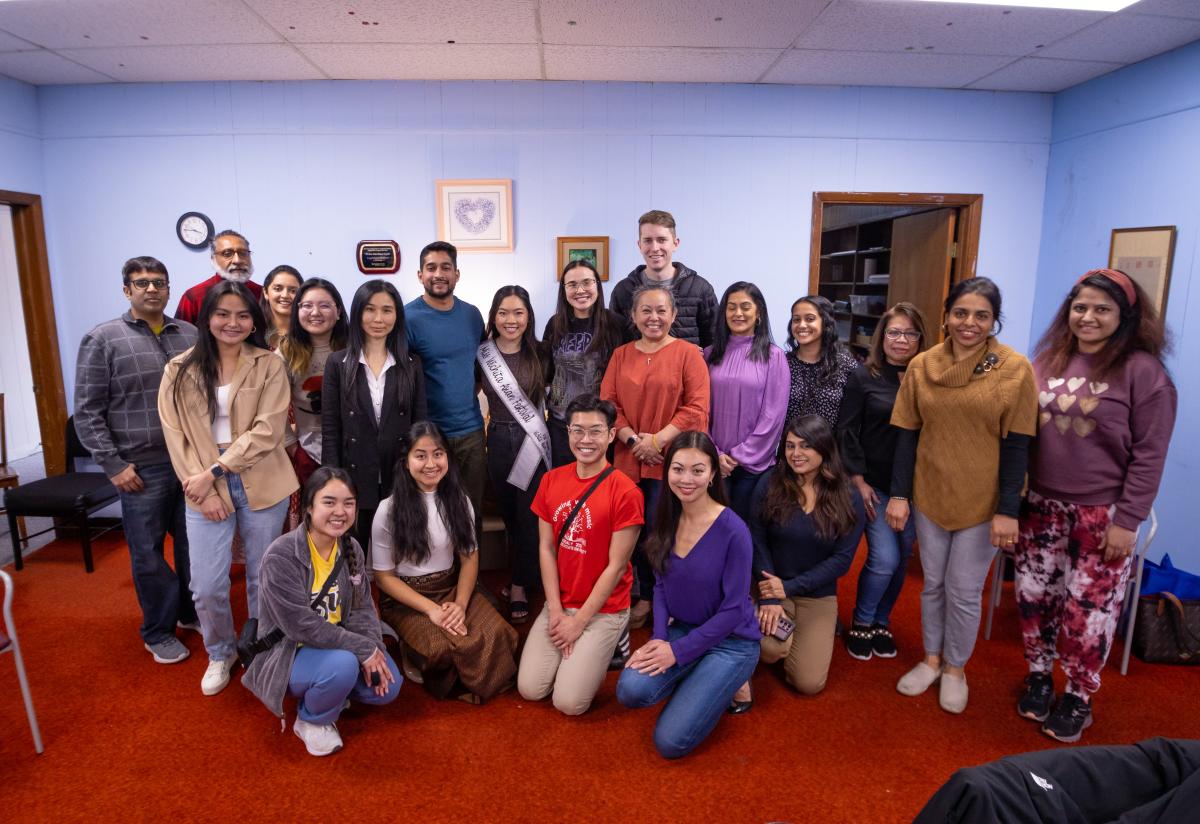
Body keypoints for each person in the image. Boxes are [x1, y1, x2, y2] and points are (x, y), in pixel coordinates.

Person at [1014, 268, 1176, 743]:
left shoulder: (1144, 373)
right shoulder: (1046, 359)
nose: (1088, 317)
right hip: (1041, 505)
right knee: (1035, 596)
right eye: (1080, 307)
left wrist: (1129, 521)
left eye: (1101, 309)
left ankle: (1079, 696)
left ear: (1124, 316)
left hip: (1103, 514)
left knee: (1089, 612)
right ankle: (1040, 674)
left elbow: (1150, 454)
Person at [889, 277, 1038, 714]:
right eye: (961, 313)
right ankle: (931, 659)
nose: (969, 323)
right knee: (932, 585)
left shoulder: (1013, 368)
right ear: (947, 316)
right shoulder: (922, 366)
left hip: (983, 502)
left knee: (964, 590)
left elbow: (1018, 444)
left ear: (994, 321)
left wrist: (1008, 509)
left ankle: (956, 667)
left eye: (981, 315)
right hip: (931, 493)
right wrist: (899, 495)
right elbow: (906, 437)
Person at [158, 280, 297, 696]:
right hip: (200, 483)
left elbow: (268, 431)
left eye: (242, 315)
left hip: (261, 477)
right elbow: (174, 435)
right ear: (206, 319)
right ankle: (220, 651)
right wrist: (204, 486)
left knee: (261, 576)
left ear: (255, 320)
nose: (232, 323)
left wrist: (216, 471)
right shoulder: (178, 369)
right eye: (223, 314)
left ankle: (260, 646)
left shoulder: (269, 364)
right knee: (206, 583)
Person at [74, 255, 199, 664]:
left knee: (191, 547)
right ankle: (157, 630)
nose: (151, 289)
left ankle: (188, 612)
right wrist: (113, 465)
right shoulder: (103, 339)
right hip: (139, 468)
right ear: (126, 290)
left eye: (159, 282)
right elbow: (87, 410)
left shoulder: (191, 335)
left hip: (190, 464)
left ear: (168, 288)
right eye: (141, 283)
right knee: (148, 554)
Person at [615, 431, 760, 760]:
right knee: (629, 690)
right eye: (678, 469)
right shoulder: (668, 516)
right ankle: (701, 674)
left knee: (670, 742)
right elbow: (661, 582)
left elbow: (734, 611)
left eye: (698, 470)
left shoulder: (734, 530)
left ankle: (730, 677)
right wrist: (660, 638)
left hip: (733, 643)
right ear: (666, 472)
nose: (686, 479)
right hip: (685, 629)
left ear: (712, 475)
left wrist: (676, 653)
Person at [243, 468, 401, 757]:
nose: (340, 511)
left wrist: (373, 650)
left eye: (348, 503)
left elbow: (361, 607)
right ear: (308, 507)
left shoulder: (350, 546)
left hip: (337, 643)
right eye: (329, 502)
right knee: (342, 666)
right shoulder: (282, 555)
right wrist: (360, 650)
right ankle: (311, 719)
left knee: (389, 686)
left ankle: (331, 688)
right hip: (289, 650)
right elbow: (299, 626)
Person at [372, 422, 518, 703]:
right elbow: (384, 578)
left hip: (450, 588)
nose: (431, 463)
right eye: (420, 455)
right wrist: (432, 611)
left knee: (498, 632)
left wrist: (460, 605)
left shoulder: (459, 500)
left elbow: (469, 558)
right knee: (440, 648)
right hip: (407, 600)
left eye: (438, 454)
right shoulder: (387, 510)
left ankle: (473, 677)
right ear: (406, 462)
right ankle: (414, 652)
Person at [518, 395, 643, 715]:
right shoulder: (551, 480)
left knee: (569, 703)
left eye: (595, 431)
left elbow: (616, 567)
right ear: (567, 432)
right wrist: (557, 611)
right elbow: (545, 548)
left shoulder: (626, 491)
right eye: (577, 431)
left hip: (603, 609)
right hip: (560, 602)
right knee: (530, 690)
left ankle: (617, 635)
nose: (585, 440)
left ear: (611, 435)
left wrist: (580, 622)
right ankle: (577, 648)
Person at [600, 284, 710, 630]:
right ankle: (641, 594)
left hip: (671, 464)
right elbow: (609, 406)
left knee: (667, 532)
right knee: (631, 532)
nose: (654, 317)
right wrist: (635, 442)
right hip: (628, 460)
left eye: (662, 310)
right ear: (633, 316)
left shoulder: (688, 354)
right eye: (646, 310)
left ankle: (670, 598)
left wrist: (658, 442)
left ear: (674, 315)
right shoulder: (620, 355)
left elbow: (697, 407)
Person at [747, 415, 865, 699]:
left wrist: (789, 588)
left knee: (809, 684)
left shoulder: (849, 496)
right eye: (790, 446)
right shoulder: (770, 483)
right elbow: (756, 539)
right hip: (771, 588)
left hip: (816, 596)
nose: (796, 454)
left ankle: (795, 635)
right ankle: (780, 637)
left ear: (824, 449)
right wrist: (772, 597)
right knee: (771, 648)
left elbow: (842, 561)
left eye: (805, 446)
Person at [837, 302, 927, 661]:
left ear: (920, 338)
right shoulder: (865, 376)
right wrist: (857, 481)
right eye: (893, 332)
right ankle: (862, 620)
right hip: (875, 485)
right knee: (884, 559)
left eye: (909, 333)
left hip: (918, 487)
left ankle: (881, 620)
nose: (901, 340)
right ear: (881, 337)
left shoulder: (928, 377)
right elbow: (847, 430)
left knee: (904, 556)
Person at [322, 280, 426, 557]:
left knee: (398, 546)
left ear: (397, 316)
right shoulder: (338, 363)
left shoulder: (411, 365)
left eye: (387, 310)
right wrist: (332, 478)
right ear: (357, 313)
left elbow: (420, 426)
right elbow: (331, 429)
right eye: (370, 310)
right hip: (355, 470)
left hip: (399, 469)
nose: (378, 319)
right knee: (355, 547)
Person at [404, 241, 487, 533]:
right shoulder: (407, 318)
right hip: (429, 435)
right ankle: (438, 578)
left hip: (472, 431)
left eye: (445, 267)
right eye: (431, 268)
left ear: (457, 274)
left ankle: (471, 577)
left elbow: (480, 367)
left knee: (471, 511)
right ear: (420, 275)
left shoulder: (472, 315)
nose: (438, 274)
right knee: (432, 515)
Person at [479, 285, 550, 624]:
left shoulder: (542, 353)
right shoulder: (482, 355)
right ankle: (524, 574)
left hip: (531, 444)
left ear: (528, 316)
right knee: (510, 517)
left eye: (518, 313)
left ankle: (520, 585)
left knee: (528, 519)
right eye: (503, 313)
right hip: (498, 442)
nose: (511, 320)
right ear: (494, 316)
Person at [705, 281, 789, 522]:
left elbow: (773, 416)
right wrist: (716, 454)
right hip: (715, 462)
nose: (738, 313)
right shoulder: (709, 354)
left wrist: (738, 456)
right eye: (731, 307)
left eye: (745, 307)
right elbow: (701, 410)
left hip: (753, 467)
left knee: (745, 531)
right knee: (714, 530)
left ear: (758, 312)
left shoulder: (774, 356)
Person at [542, 259, 626, 466]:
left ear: (597, 284)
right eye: (572, 285)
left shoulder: (616, 324)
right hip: (562, 425)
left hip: (602, 426)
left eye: (587, 282)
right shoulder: (555, 324)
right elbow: (547, 373)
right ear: (564, 290)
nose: (580, 290)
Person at [277, 277, 348, 489]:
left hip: (353, 448)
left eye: (324, 305)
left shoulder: (355, 346)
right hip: (308, 449)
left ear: (339, 312)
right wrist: (292, 447)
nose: (315, 313)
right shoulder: (285, 352)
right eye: (306, 305)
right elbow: (273, 408)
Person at [609, 209, 718, 347]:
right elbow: (615, 342)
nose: (655, 248)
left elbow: (714, 341)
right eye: (648, 240)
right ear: (639, 245)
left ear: (675, 243)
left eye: (662, 240)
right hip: (639, 368)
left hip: (687, 368)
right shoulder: (623, 290)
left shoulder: (700, 288)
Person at [785, 295, 859, 429]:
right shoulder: (783, 364)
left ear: (825, 322)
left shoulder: (845, 364)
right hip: (792, 447)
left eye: (810, 319)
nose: (801, 325)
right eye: (796, 320)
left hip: (830, 447)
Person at [173, 230, 262, 324]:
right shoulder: (194, 297)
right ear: (213, 258)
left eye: (243, 253)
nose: (237, 260)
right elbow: (180, 336)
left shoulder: (261, 294)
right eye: (227, 254)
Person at [259, 264, 302, 350]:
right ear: (265, 292)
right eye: (278, 289)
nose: (285, 295)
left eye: (293, 291)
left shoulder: (309, 334)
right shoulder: (252, 331)